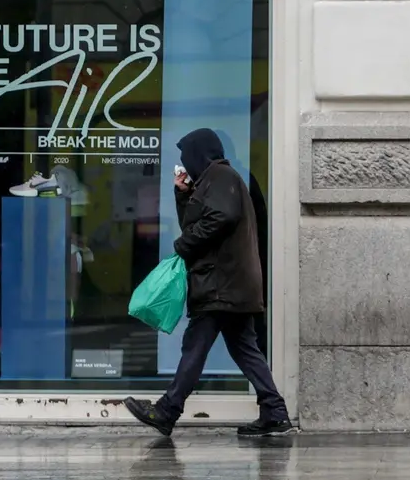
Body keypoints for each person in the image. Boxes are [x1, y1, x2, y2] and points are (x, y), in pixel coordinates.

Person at [123, 128, 296, 437]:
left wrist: (183, 245)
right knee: (244, 348)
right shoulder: (213, 182)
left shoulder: (221, 177)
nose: (183, 164)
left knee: (195, 346)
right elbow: (199, 220)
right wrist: (183, 194)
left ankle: (167, 410)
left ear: (199, 154)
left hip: (220, 283)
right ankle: (275, 410)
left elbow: (220, 218)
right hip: (231, 282)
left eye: (185, 157)